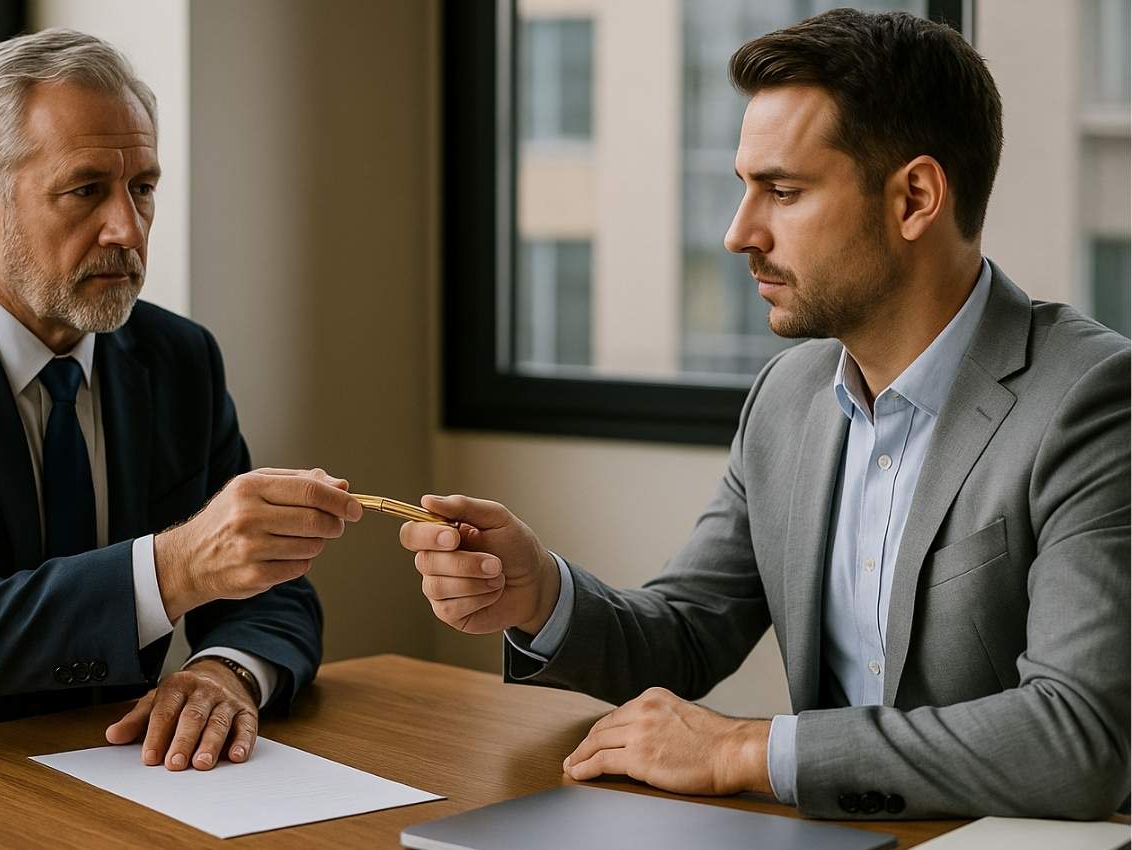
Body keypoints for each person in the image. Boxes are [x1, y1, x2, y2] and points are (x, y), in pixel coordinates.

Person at [402, 9, 1129, 820]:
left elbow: (1080, 736)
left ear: (916, 197)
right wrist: (541, 594)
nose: (738, 232)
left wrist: (747, 749)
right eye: (743, 188)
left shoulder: (1091, 399)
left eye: (783, 191)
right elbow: (685, 633)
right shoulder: (787, 397)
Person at [0, 29, 362, 770]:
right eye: (86, 190)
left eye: (142, 188)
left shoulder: (179, 359)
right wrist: (176, 568)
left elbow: (266, 592)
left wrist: (228, 670)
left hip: (103, 770)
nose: (127, 229)